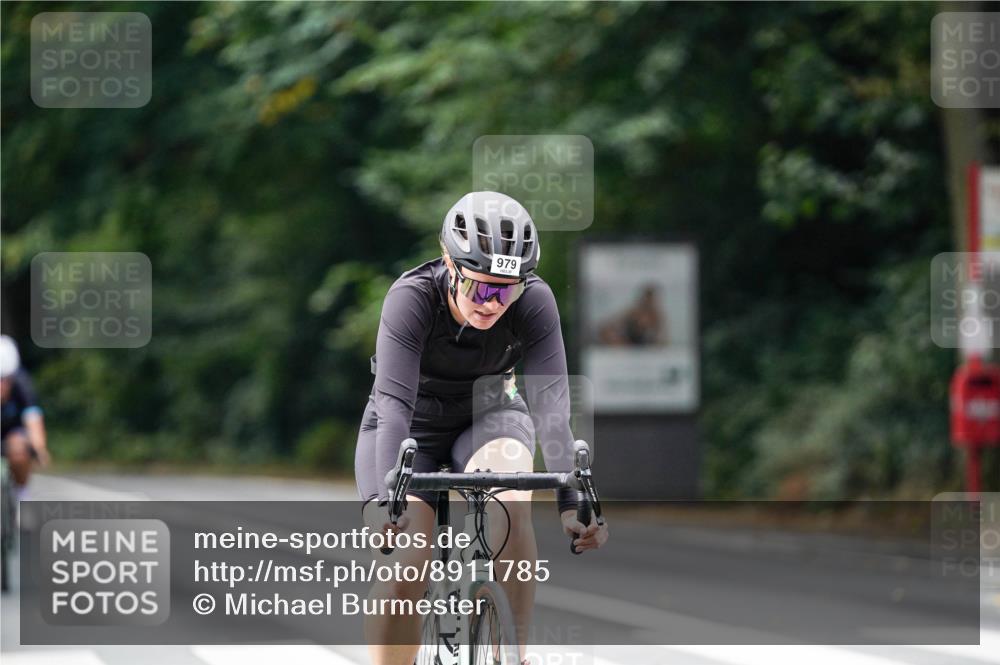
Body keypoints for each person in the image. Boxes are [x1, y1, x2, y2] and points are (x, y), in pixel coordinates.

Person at [354, 191, 608, 665]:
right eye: (481, 288)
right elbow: (392, 404)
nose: (493, 304)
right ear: (449, 264)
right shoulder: (411, 298)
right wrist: (385, 502)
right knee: (407, 561)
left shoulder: (534, 302)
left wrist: (572, 502)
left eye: (506, 290)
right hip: (412, 426)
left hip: (490, 413)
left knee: (511, 503)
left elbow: (551, 405)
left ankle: (511, 656)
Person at [0, 335, 50, 501]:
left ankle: (21, 493)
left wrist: (39, 449)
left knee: (19, 446)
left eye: (4, 380)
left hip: (12, 432)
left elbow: (33, 418)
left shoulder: (22, 384)